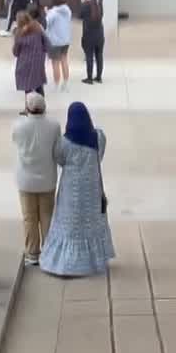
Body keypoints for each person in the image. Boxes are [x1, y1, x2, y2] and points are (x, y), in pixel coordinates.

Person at [40, 102, 115, 277]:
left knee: (70, 224)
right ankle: (91, 262)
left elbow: (59, 158)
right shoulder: (99, 138)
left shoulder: (64, 142)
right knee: (90, 223)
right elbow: (99, 155)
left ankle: (66, 263)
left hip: (70, 191)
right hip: (92, 190)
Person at [12, 92, 61, 265]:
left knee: (29, 218)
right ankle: (48, 253)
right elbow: (57, 149)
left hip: (26, 181)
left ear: (27, 108)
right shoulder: (54, 126)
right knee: (47, 217)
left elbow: (15, 141)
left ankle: (32, 253)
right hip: (47, 179)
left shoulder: (18, 126)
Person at [13, 11, 48, 99]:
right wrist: (42, 52)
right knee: (38, 84)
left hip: (25, 62)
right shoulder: (37, 28)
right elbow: (46, 42)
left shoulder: (19, 33)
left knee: (27, 86)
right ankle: (41, 103)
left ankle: (29, 105)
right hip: (38, 60)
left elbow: (16, 51)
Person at [77, 0, 105, 85]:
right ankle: (99, 77)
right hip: (100, 35)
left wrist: (82, 2)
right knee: (99, 55)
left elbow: (79, 16)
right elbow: (101, 15)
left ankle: (89, 78)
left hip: (88, 35)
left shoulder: (85, 5)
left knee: (89, 56)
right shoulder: (99, 4)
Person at [45, 0, 72, 91]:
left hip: (55, 42)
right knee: (64, 60)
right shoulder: (68, 10)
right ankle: (66, 84)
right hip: (66, 40)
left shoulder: (53, 13)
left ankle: (56, 84)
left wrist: (46, 13)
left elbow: (46, 23)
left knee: (55, 63)